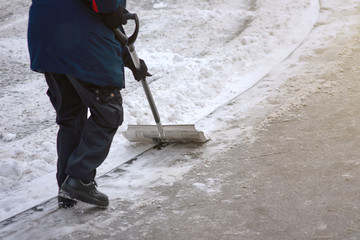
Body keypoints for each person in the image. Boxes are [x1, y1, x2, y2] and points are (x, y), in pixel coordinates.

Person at [27, 0, 149, 208]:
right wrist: (112, 10)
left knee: (71, 117)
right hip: (80, 40)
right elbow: (105, 8)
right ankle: (80, 179)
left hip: (46, 36)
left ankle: (67, 188)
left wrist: (127, 57)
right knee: (108, 113)